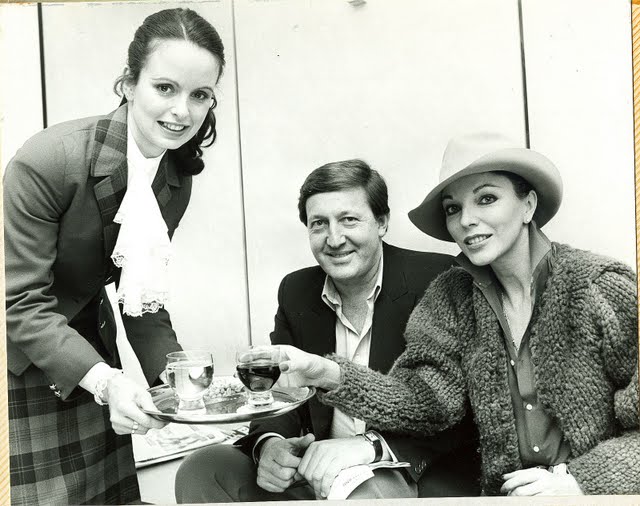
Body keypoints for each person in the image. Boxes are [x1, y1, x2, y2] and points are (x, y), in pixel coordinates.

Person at [276, 133, 640, 496]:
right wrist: (327, 373)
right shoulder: (452, 294)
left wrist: (578, 483)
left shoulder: (600, 287)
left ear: (528, 205)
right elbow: (426, 400)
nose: (466, 220)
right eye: (453, 208)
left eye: (486, 199)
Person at [4, 8, 225, 505]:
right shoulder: (49, 160)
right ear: (128, 83)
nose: (182, 111)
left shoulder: (175, 179)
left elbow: (140, 297)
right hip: (20, 358)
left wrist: (179, 387)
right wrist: (107, 382)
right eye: (165, 88)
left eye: (200, 95)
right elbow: (19, 304)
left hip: (90, 348)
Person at [175, 159, 480, 502]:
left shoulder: (438, 278)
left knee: (360, 491)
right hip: (318, 465)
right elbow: (280, 391)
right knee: (204, 467)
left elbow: (461, 408)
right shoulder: (296, 290)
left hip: (402, 466)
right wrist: (270, 445)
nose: (334, 239)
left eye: (349, 219)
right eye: (319, 223)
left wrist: (373, 446)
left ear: (382, 222)